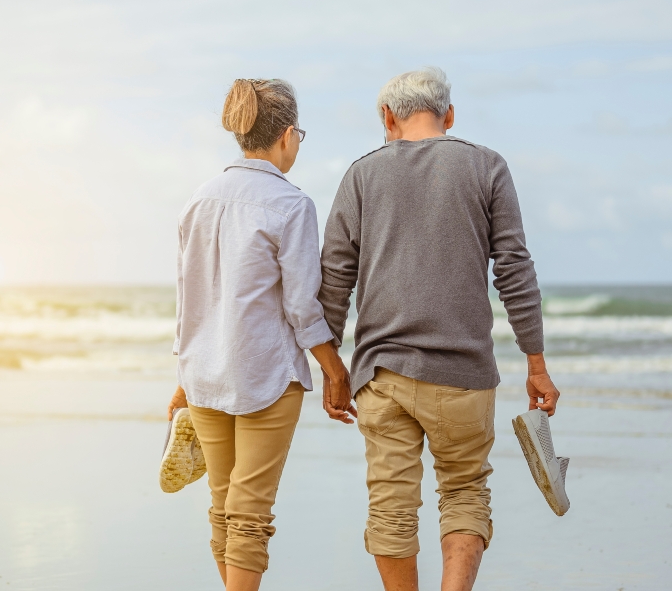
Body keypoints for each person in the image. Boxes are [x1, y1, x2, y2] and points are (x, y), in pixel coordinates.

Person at [317, 67, 562, 591]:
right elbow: (514, 270)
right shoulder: (487, 167)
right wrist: (536, 364)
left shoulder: (361, 175)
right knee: (465, 493)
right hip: (464, 375)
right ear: (449, 115)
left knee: (390, 506)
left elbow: (334, 276)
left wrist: (332, 367)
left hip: (381, 375)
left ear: (388, 119)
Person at [166, 78, 351, 591]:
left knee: (224, 504)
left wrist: (182, 376)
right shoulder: (291, 205)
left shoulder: (197, 201)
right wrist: (334, 369)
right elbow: (300, 307)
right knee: (249, 512)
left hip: (203, 374)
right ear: (288, 135)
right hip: (264, 375)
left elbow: (188, 303)